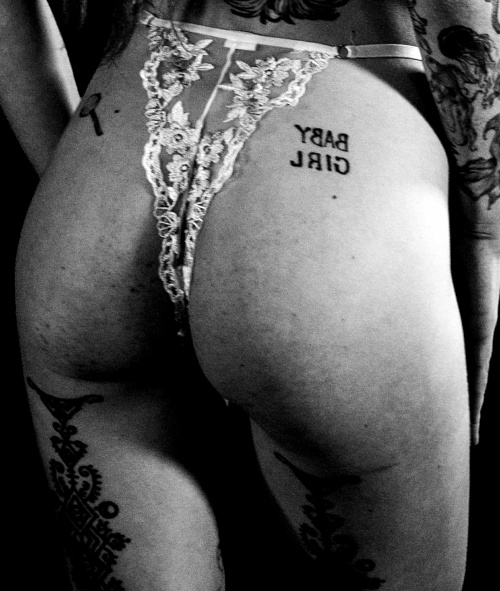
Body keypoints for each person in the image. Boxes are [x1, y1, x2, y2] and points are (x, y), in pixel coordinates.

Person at [10, 0, 500, 589]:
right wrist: (484, 239)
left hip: (112, 153)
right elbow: (456, 12)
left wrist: (78, 192)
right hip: (339, 166)